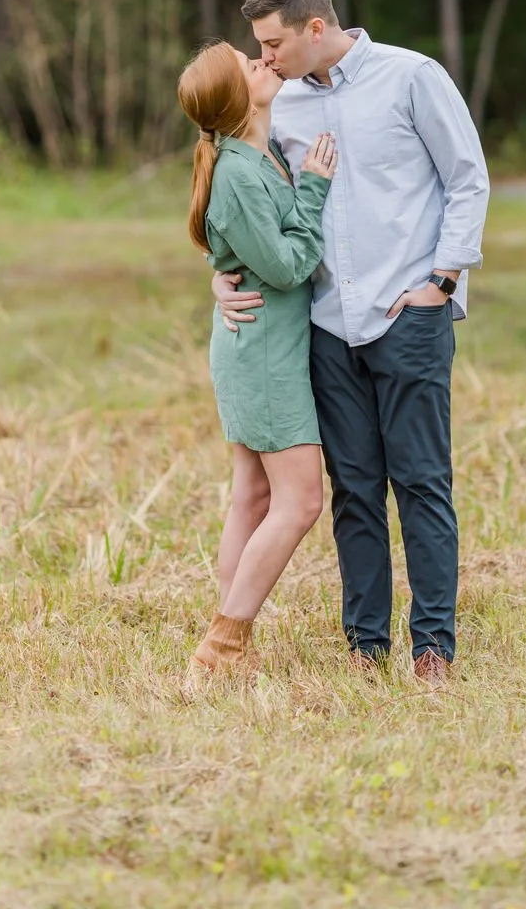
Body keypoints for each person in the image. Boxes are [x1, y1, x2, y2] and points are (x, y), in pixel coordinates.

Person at [213, 0, 490, 685]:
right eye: (258, 48)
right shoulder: (282, 108)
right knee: (355, 490)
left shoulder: (411, 78)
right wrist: (222, 273)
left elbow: (467, 178)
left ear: (314, 27)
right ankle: (366, 648)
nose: (265, 59)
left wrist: (444, 281)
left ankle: (433, 647)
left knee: (423, 482)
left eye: (273, 43)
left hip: (409, 315)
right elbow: (246, 201)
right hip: (326, 327)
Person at [177, 38, 338, 681]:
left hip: (258, 342)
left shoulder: (255, 152)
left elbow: (245, 256)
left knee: (251, 497)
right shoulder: (241, 172)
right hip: (265, 356)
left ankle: (224, 643)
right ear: (238, 97)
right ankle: (223, 644)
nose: (262, 60)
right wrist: (316, 190)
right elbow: (287, 265)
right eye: (250, 64)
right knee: (299, 502)